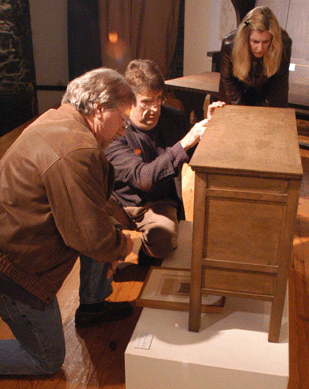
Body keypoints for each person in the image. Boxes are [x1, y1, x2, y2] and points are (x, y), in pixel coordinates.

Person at [0, 68, 136, 375]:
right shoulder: (78, 150)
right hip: (15, 272)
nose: (123, 131)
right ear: (100, 108)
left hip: (11, 252)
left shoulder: (56, 119)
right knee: (47, 358)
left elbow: (92, 209)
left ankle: (92, 304)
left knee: (104, 224)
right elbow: (91, 238)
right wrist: (123, 245)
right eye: (123, 119)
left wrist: (113, 237)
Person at [105, 59, 224, 265]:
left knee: (163, 242)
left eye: (159, 99)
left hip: (158, 201)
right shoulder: (115, 127)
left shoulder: (173, 117)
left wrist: (210, 127)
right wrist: (184, 142)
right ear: (129, 99)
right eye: (146, 102)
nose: (154, 108)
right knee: (92, 231)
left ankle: (137, 250)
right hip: (119, 202)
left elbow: (196, 153)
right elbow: (143, 178)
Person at [219, 6, 292, 107]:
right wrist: (241, 110)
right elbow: (228, 80)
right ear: (246, 37)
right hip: (237, 89)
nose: (260, 48)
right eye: (255, 41)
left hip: (269, 89)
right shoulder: (230, 45)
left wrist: (264, 113)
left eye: (266, 41)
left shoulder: (283, 45)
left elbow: (279, 84)